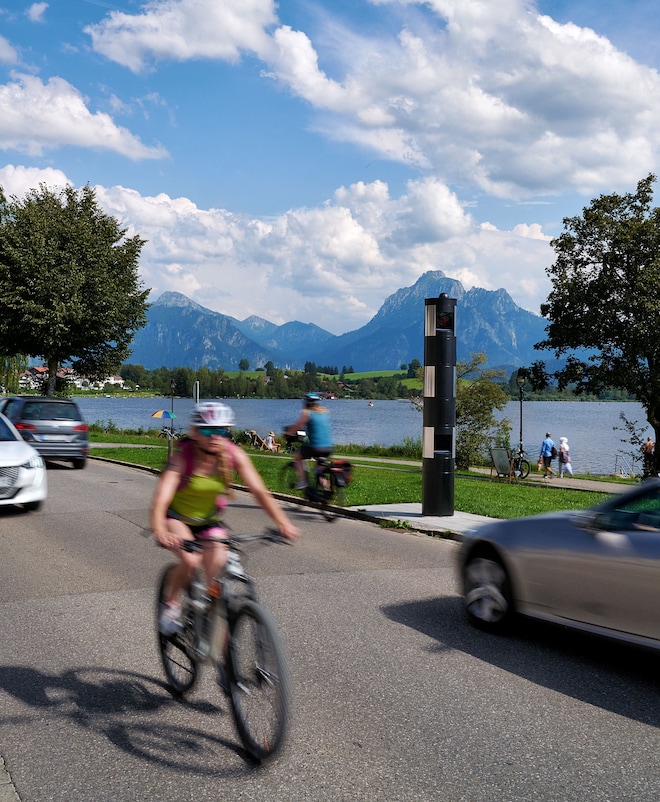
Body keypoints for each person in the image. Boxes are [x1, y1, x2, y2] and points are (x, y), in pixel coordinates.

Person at [151, 401, 299, 636]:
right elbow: (161, 498)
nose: (216, 436)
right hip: (177, 519)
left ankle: (217, 641)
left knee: (216, 576)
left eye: (222, 431)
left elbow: (259, 491)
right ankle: (170, 605)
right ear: (195, 432)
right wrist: (160, 529)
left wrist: (283, 522)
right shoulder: (183, 458)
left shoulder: (232, 454)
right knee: (190, 561)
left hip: (209, 522)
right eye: (209, 431)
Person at [287, 393, 333, 489]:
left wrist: (288, 434)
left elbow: (297, 426)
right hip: (328, 448)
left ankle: (303, 481)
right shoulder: (324, 413)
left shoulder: (307, 413)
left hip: (316, 447)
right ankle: (327, 490)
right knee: (318, 471)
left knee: (298, 456)